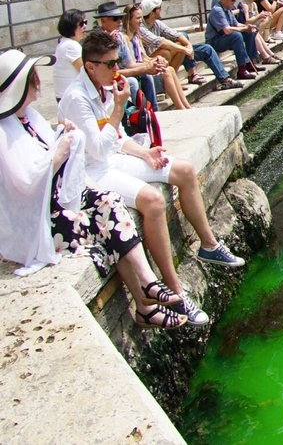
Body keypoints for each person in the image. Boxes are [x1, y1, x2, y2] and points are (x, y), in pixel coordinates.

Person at [57, 31, 246, 323]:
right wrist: (119, 107)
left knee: (182, 169)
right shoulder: (76, 98)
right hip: (91, 171)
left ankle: (209, 246)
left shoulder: (104, 85)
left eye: (117, 61)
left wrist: (143, 153)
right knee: (153, 201)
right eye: (110, 64)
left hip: (112, 159)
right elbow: (95, 149)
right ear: (90, 66)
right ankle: (177, 293)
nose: (116, 69)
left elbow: (118, 139)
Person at [0, 50, 192, 327]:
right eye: (32, 78)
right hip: (36, 220)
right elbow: (26, 183)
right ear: (20, 86)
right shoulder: (5, 130)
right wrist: (60, 150)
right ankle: (146, 302)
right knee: (107, 223)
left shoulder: (29, 117)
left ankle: (148, 289)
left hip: (55, 200)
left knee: (111, 203)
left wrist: (59, 138)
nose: (38, 83)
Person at [139, 0, 240, 90]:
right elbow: (159, 42)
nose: (161, 9)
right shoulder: (141, 28)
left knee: (205, 48)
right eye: (159, 8)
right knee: (168, 51)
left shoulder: (157, 23)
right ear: (152, 13)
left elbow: (176, 35)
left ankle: (225, 79)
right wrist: (185, 49)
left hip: (170, 57)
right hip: (150, 60)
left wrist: (188, 46)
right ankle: (185, 77)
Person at [123, 3, 191, 110]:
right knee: (167, 72)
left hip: (142, 66)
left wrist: (156, 59)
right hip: (137, 71)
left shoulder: (137, 35)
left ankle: (186, 106)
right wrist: (151, 64)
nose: (141, 21)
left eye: (141, 17)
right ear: (129, 19)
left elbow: (144, 57)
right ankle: (181, 107)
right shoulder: (125, 38)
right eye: (138, 18)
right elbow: (132, 63)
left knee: (170, 69)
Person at [94, 2, 158, 109]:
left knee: (147, 75)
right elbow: (107, 69)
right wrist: (110, 45)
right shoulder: (97, 40)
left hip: (121, 73)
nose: (119, 21)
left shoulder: (120, 37)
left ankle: (152, 112)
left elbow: (130, 64)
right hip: (105, 77)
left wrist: (152, 64)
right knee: (132, 82)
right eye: (115, 18)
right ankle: (134, 115)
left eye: (120, 18)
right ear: (103, 20)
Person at [206, 0, 259, 79]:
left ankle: (250, 63)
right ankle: (242, 70)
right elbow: (226, 30)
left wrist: (248, 27)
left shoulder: (228, 9)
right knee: (237, 36)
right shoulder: (217, 10)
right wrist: (244, 28)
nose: (234, 1)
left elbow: (236, 24)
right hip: (215, 41)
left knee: (249, 33)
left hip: (224, 38)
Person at [52, 9, 88, 100]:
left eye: (85, 22)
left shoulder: (65, 43)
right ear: (71, 27)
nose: (85, 26)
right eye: (81, 24)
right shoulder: (71, 46)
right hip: (72, 98)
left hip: (67, 96)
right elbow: (86, 71)